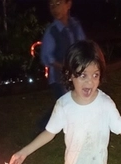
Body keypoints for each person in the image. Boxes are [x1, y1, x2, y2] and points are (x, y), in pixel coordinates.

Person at [37, 0, 87, 132]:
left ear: (68, 4)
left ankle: (44, 127)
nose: (54, 8)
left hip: (76, 75)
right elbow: (47, 57)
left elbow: (83, 46)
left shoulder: (75, 26)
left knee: (68, 104)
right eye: (51, 5)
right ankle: (43, 127)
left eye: (58, 3)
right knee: (67, 105)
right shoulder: (52, 31)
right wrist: (65, 68)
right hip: (59, 79)